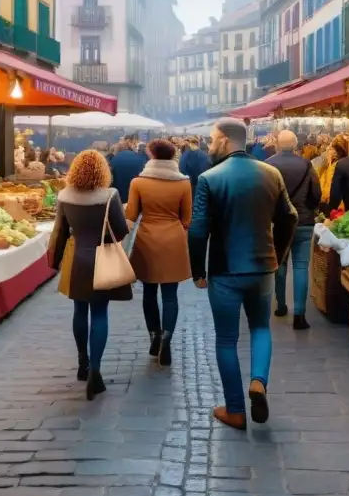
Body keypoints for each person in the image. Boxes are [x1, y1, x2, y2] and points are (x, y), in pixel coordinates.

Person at [189, 118, 298, 430]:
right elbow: (289, 217)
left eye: (211, 139)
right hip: (263, 266)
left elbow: (197, 230)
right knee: (261, 328)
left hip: (225, 269)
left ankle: (235, 410)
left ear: (224, 140)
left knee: (226, 339)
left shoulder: (209, 178)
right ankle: (258, 383)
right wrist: (278, 254)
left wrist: (198, 269)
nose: (209, 145)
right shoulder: (271, 173)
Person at [46, 150, 133, 400]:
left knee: (79, 311)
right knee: (100, 313)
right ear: (103, 171)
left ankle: (82, 362)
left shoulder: (65, 196)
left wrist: (55, 261)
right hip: (101, 259)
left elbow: (60, 231)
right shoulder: (110, 195)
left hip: (76, 260)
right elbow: (118, 230)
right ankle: (96, 368)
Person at [126, 139, 192, 366]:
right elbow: (186, 219)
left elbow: (132, 214)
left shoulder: (138, 182)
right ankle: (167, 338)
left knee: (149, 292)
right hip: (173, 239)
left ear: (151, 155)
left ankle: (154, 336)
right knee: (170, 295)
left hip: (147, 239)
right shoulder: (184, 183)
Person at [266, 130, 321, 329]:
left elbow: (265, 195)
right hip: (304, 222)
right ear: (296, 144)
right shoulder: (306, 164)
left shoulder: (269, 165)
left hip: (278, 223)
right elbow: (316, 193)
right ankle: (300, 314)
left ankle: (281, 305)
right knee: (300, 267)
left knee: (279, 264)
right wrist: (308, 208)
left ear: (277, 144)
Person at [109, 136, 146, 203]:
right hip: (136, 197)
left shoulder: (114, 160)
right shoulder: (140, 158)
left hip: (118, 198)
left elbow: (110, 180)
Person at [318, 134, 349, 207]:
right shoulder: (343, 164)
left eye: (331, 148)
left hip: (335, 207)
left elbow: (328, 190)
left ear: (337, 151)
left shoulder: (335, 166)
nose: (327, 149)